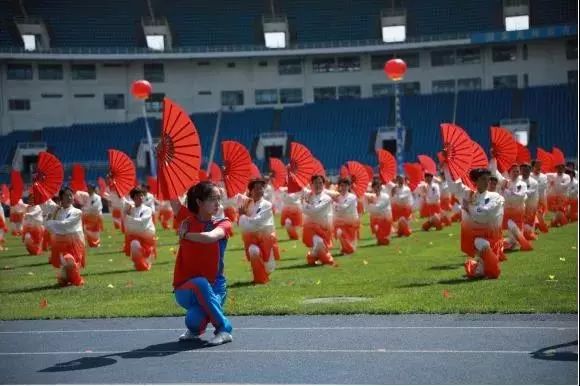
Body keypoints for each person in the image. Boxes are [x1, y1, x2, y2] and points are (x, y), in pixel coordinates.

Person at [171, 181, 234, 346]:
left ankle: (218, 329)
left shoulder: (223, 223)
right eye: (212, 199)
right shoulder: (186, 220)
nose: (218, 203)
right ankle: (222, 327)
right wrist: (163, 166)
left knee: (194, 320)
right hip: (185, 286)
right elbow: (172, 198)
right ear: (199, 202)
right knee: (199, 284)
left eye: (219, 199)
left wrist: (185, 235)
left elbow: (210, 237)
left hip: (215, 286)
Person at [445, 167, 504, 279]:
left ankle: (476, 265)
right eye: (483, 179)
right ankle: (492, 270)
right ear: (475, 182)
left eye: (488, 179)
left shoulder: (496, 197)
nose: (487, 182)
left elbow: (485, 215)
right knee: (481, 243)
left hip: (494, 240)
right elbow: (454, 187)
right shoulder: (470, 195)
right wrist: (447, 166)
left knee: (478, 273)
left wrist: (469, 209)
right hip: (476, 240)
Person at [238, 178, 279, 284]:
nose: (259, 191)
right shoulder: (245, 204)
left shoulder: (267, 205)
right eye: (256, 188)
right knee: (253, 250)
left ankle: (264, 271)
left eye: (261, 188)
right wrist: (245, 218)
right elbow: (242, 225)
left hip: (266, 238)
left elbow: (258, 222)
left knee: (269, 268)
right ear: (251, 191)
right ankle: (259, 279)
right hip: (251, 239)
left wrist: (244, 217)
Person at [45, 187, 86, 287]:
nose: (69, 197)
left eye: (71, 195)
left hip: (75, 244)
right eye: (66, 195)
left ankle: (66, 277)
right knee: (68, 261)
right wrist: (38, 185)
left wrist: (49, 222)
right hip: (60, 246)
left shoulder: (77, 212)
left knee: (69, 265)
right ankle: (75, 280)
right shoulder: (57, 210)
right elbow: (45, 202)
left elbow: (65, 225)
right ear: (61, 199)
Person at [492, 162, 532, 252]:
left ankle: (506, 244)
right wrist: (494, 159)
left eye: (517, 171)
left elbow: (520, 197)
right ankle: (521, 242)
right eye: (514, 171)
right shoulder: (505, 182)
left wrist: (506, 191)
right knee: (510, 225)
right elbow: (494, 172)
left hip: (518, 213)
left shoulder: (522, 184)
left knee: (513, 241)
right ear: (509, 172)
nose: (516, 173)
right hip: (506, 213)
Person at [302, 175, 335, 266]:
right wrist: (291, 173)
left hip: (324, 229)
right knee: (318, 242)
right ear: (311, 184)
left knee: (317, 248)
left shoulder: (326, 198)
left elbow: (314, 211)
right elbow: (298, 188)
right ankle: (325, 259)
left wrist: (305, 204)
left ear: (323, 184)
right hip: (310, 229)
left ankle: (313, 256)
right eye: (315, 183)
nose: (318, 185)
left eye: (320, 183)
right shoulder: (309, 194)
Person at [123, 187, 157, 271]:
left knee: (146, 255)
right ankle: (140, 264)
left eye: (142, 196)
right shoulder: (130, 208)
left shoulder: (147, 209)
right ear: (133, 198)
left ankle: (147, 255)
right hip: (135, 236)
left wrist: (129, 217)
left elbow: (142, 223)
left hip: (147, 236)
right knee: (134, 244)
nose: (141, 198)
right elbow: (127, 223)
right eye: (138, 196)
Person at [332, 177, 359, 255]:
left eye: (345, 186)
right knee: (340, 233)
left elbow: (343, 207)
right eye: (341, 186)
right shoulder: (338, 197)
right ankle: (347, 249)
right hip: (340, 221)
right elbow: (334, 208)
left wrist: (336, 204)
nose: (343, 188)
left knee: (350, 238)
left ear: (349, 186)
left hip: (351, 221)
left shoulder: (352, 197)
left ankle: (347, 249)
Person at [365, 177, 392, 245]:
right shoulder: (371, 197)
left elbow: (379, 207)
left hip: (386, 219)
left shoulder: (385, 196)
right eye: (374, 187)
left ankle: (384, 237)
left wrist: (370, 203)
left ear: (380, 188)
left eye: (378, 187)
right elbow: (367, 209)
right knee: (379, 235)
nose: (376, 189)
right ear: (373, 188)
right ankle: (380, 237)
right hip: (375, 220)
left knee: (384, 240)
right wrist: (369, 202)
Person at [546, 161, 571, 227]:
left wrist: (556, 183)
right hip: (553, 198)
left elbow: (565, 185)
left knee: (560, 212)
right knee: (557, 212)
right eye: (558, 168)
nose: (560, 169)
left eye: (561, 168)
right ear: (556, 168)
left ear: (564, 169)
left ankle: (554, 222)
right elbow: (542, 176)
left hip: (563, 198)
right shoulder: (551, 175)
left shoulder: (567, 176)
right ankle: (555, 222)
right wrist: (550, 184)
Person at [520, 163, 539, 241]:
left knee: (529, 224)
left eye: (527, 170)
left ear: (530, 170)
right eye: (523, 170)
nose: (525, 172)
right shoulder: (518, 180)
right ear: (521, 171)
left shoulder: (534, 182)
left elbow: (529, 193)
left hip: (531, 205)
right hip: (521, 205)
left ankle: (530, 233)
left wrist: (518, 193)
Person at [531, 160, 549, 233]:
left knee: (540, 219)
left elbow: (544, 188)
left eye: (539, 166)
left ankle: (538, 225)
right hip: (532, 201)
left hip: (542, 201)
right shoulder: (529, 176)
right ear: (532, 167)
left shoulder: (544, 176)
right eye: (536, 166)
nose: (539, 168)